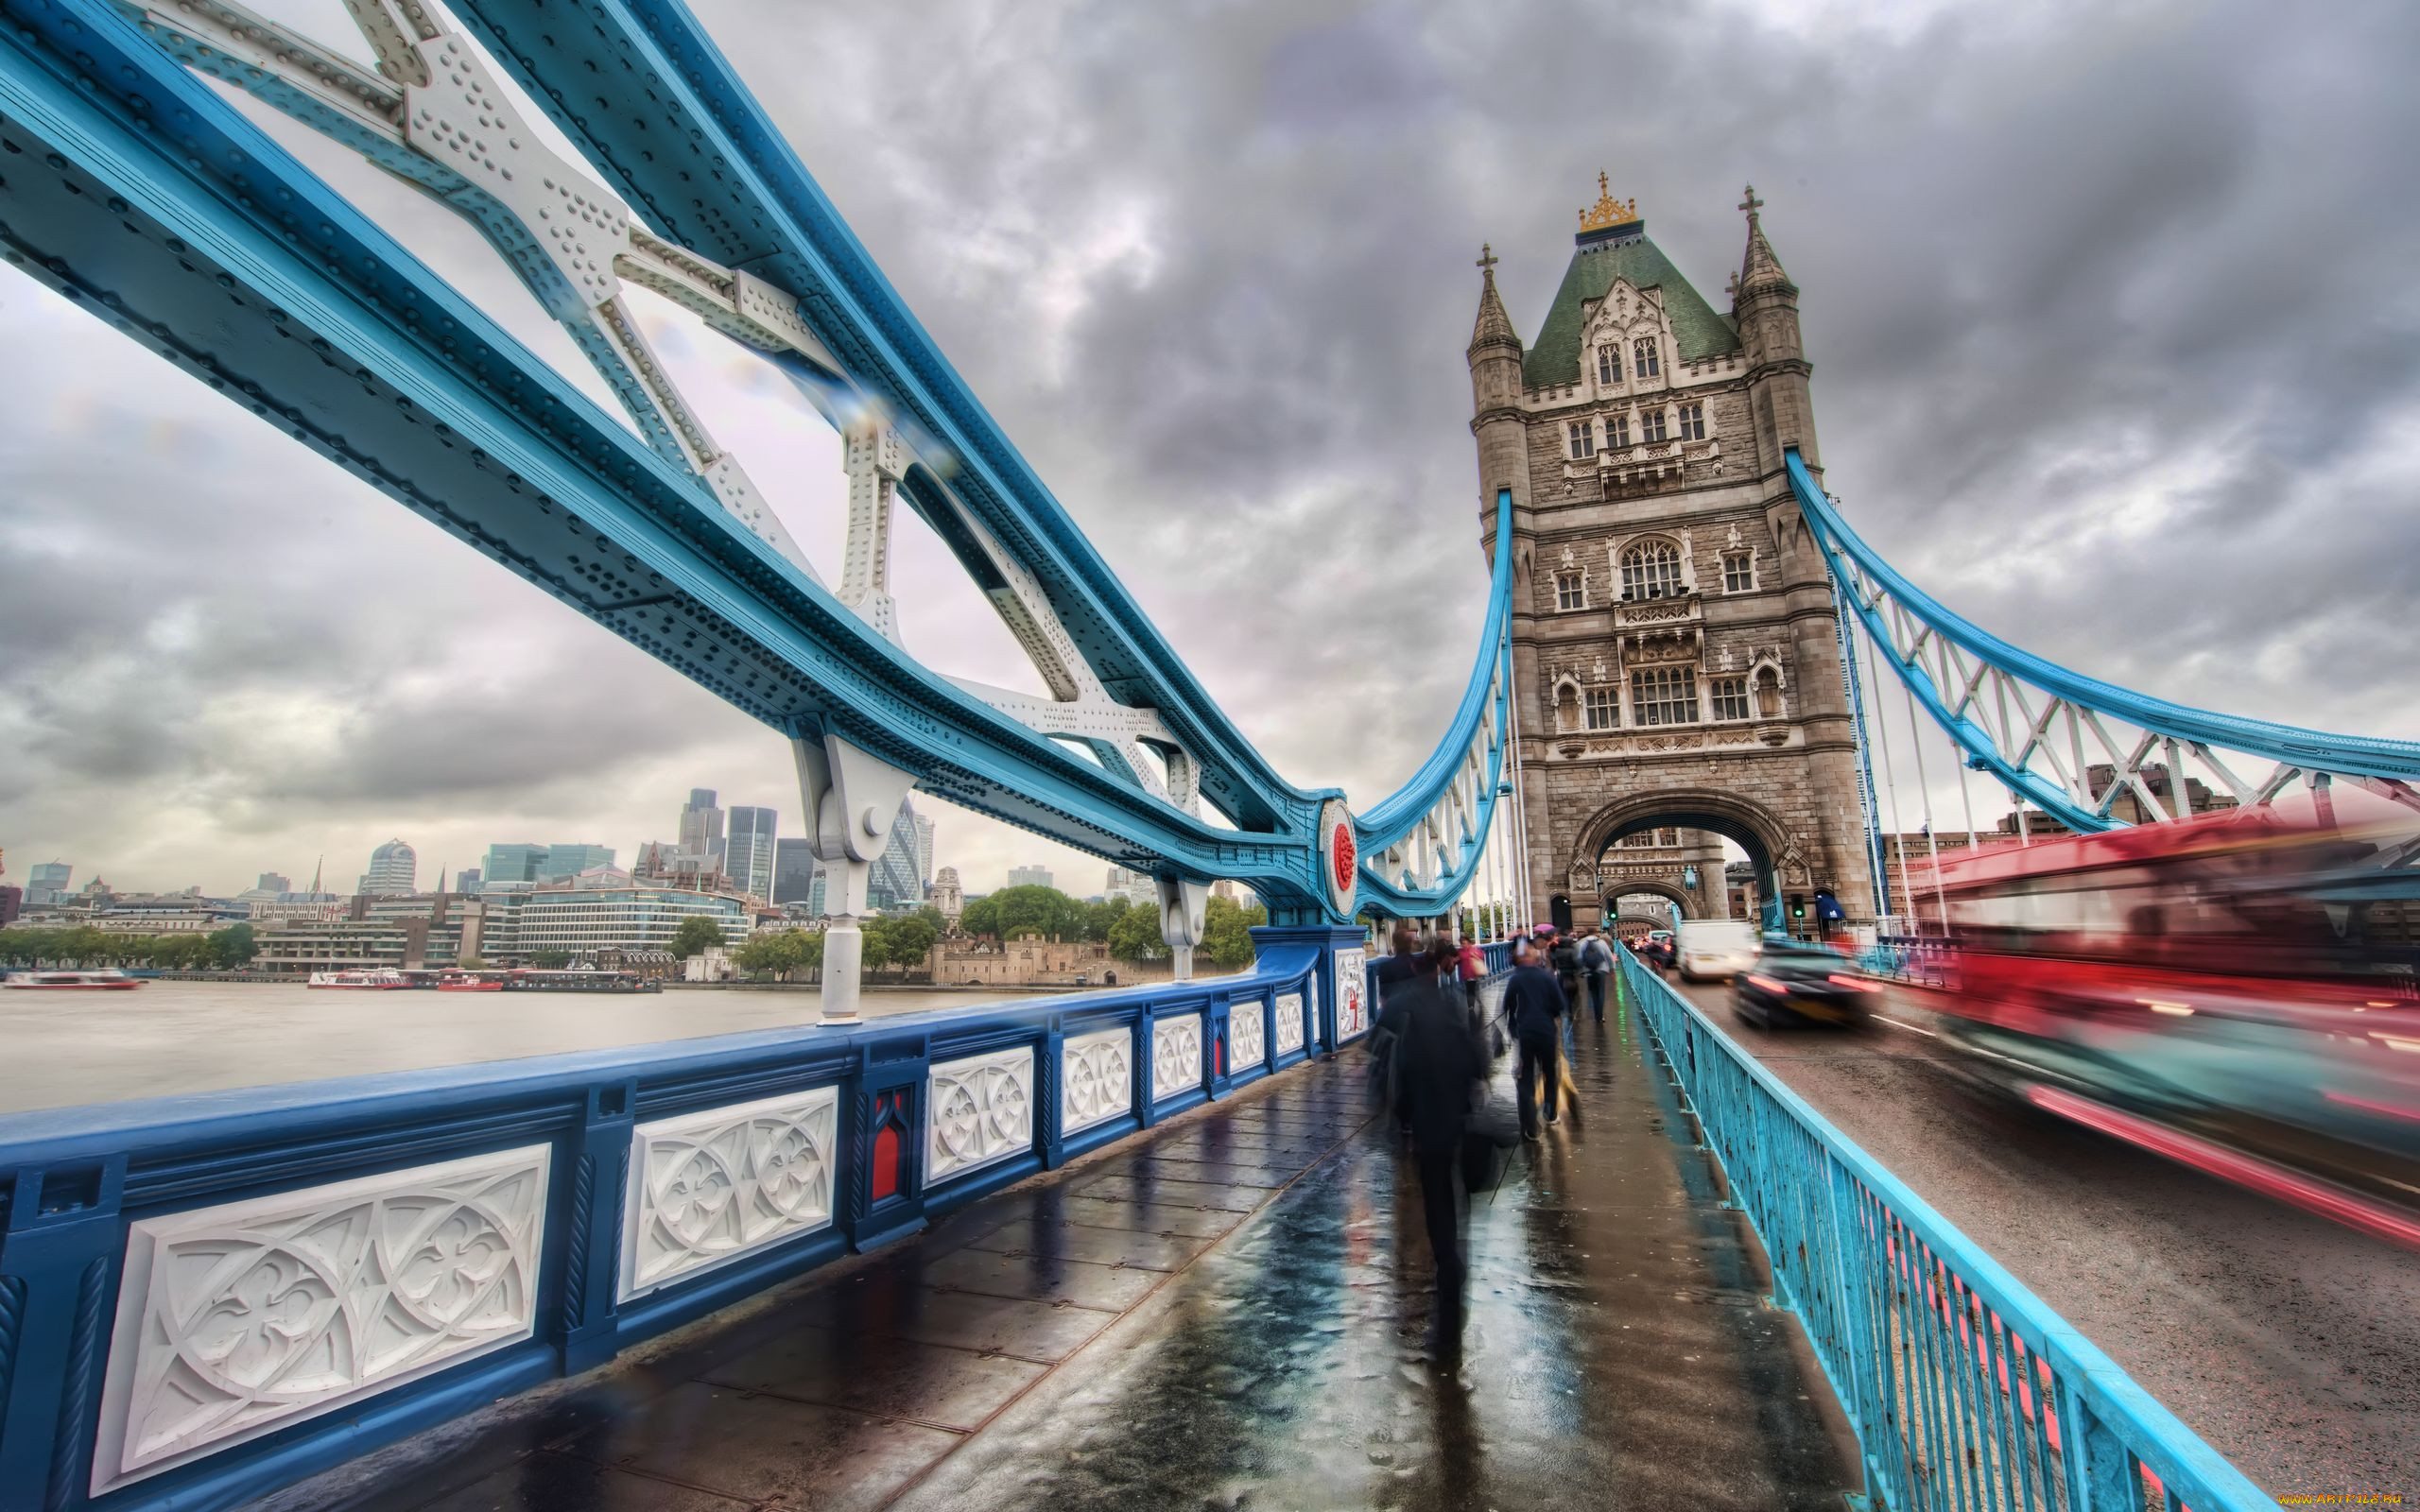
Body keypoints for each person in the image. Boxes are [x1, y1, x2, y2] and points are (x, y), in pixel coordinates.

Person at [1392, 940, 1486, 1297]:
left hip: (1425, 1121)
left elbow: (1398, 1068)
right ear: (1443, 965)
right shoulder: (1455, 1006)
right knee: (1454, 1189)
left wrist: (1401, 1117)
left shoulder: (1406, 1008)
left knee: (1434, 1193)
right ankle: (1455, 1253)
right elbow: (1476, 1062)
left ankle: (1445, 1256)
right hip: (1456, 1116)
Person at [1502, 936, 1568, 1140]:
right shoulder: (1546, 977)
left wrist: (1514, 1031)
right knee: (1550, 1072)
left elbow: (1506, 1008)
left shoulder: (1515, 979)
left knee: (1525, 1078)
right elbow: (1559, 1005)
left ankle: (1530, 1126)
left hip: (1525, 1035)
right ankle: (1550, 1112)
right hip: (1546, 1032)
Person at [1580, 928, 1615, 1023]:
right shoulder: (1602, 942)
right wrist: (1612, 969)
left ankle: (1596, 1016)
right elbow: (1609, 956)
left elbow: (1579, 958)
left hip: (1589, 971)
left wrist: (1582, 970)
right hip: (1601, 970)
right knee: (1601, 993)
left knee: (1593, 994)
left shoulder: (1583, 943)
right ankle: (1600, 1016)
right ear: (1596, 934)